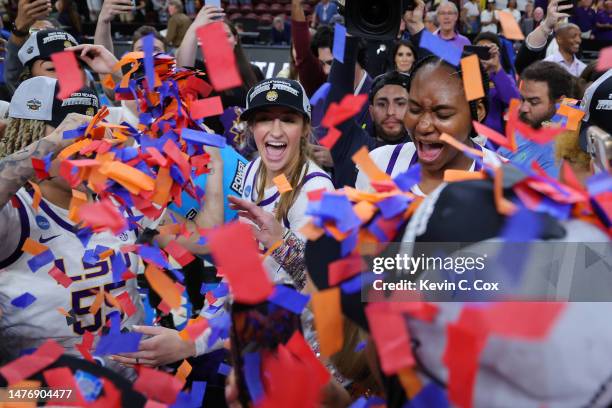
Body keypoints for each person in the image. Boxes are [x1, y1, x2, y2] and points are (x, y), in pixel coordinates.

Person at [230, 78, 335, 290]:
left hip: (289, 317)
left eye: (288, 120)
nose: (276, 131)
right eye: (264, 119)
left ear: (305, 128)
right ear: (251, 127)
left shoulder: (317, 190)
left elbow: (319, 284)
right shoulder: (253, 168)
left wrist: (280, 242)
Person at [355, 55, 500, 196]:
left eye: (442, 114)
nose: (423, 127)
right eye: (414, 110)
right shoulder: (378, 163)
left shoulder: (506, 183)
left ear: (478, 112)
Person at [497, 61, 575, 179]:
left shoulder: (559, 153)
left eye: (534, 102)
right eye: (522, 99)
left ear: (560, 102)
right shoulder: (527, 126)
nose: (524, 108)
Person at [473, 32, 520, 135]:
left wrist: (496, 68)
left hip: (494, 139)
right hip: (469, 136)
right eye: (479, 51)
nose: (483, 57)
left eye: (487, 52)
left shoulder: (503, 76)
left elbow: (514, 102)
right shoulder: (466, 75)